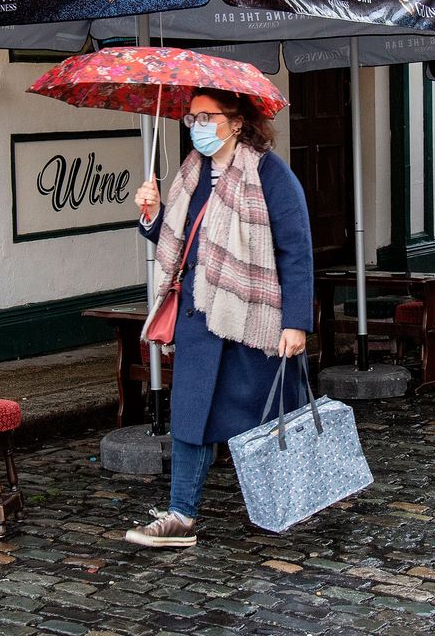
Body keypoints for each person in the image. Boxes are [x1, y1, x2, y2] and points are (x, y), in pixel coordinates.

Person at [124, 88, 312, 549]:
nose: (198, 127)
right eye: (192, 119)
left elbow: (296, 249)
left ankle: (280, 503)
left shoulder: (270, 173)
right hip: (198, 316)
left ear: (236, 120)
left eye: (207, 117)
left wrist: (296, 321)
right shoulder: (192, 174)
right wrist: (152, 216)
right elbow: (184, 239)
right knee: (190, 418)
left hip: (249, 318)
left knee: (260, 420)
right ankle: (180, 516)